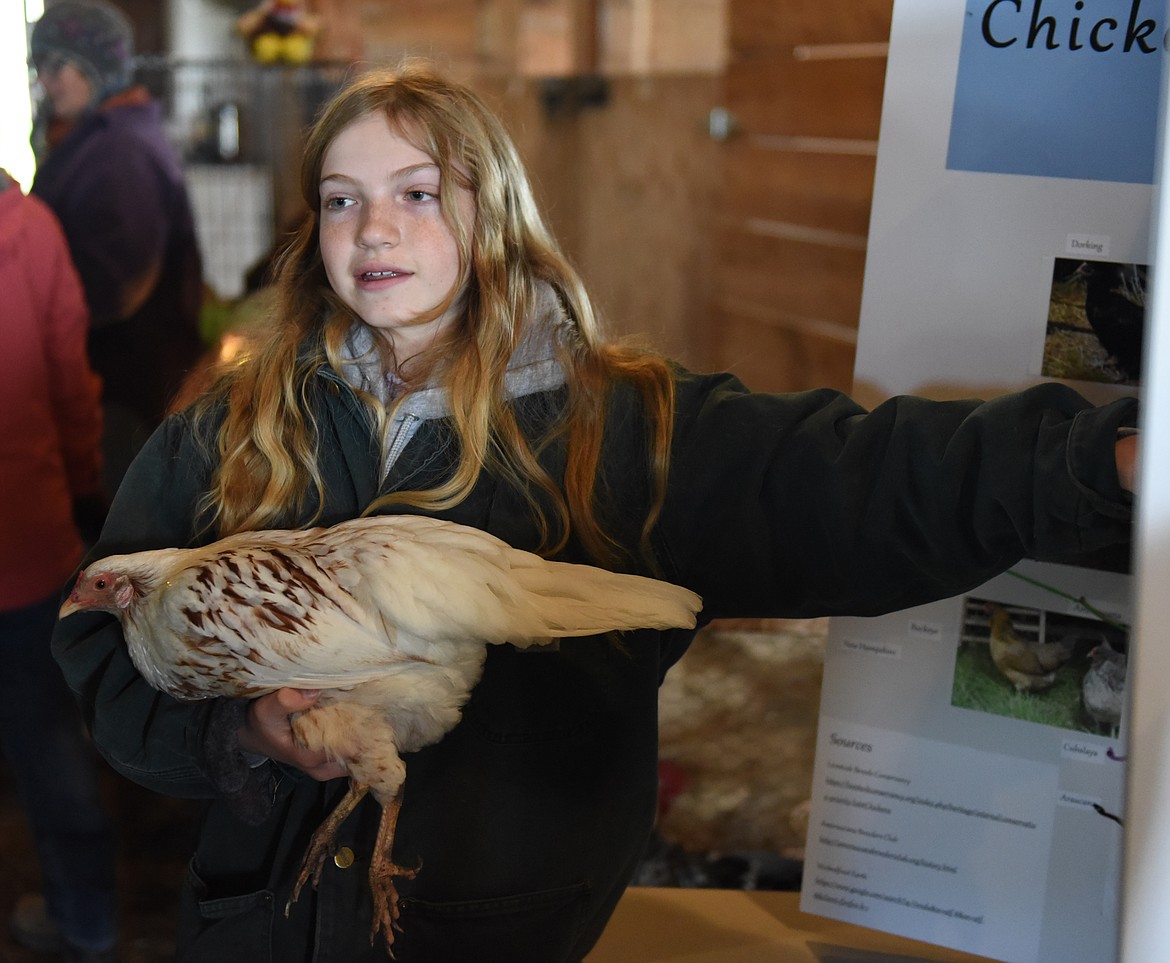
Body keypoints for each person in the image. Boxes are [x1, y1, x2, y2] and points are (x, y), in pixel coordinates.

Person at [51, 63, 1139, 963]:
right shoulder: (234, 433)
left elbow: (868, 480)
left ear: (495, 212)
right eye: (341, 198)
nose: (371, 227)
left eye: (417, 193)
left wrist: (1103, 458)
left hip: (492, 935)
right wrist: (238, 734)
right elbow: (109, 663)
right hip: (257, 933)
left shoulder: (627, 431)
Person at [0, 169, 120, 963]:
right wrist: (85, 484)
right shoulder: (30, 227)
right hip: (27, 536)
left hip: (26, 536)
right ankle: (88, 921)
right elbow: (70, 382)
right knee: (48, 740)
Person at [29, 0, 205, 499]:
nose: (48, 80)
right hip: (121, 381)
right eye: (42, 66)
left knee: (118, 540)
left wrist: (36, 313)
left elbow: (117, 286)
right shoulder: (100, 136)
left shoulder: (119, 151)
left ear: (97, 68)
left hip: (125, 386)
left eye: (60, 65)